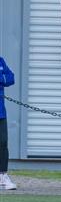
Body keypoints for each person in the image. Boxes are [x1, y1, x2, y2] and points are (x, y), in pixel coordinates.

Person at [0, 57, 16, 190]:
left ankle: (2, 176)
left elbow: (11, 78)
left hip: (0, 113)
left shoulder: (0, 61)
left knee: (3, 143)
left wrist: (1, 78)